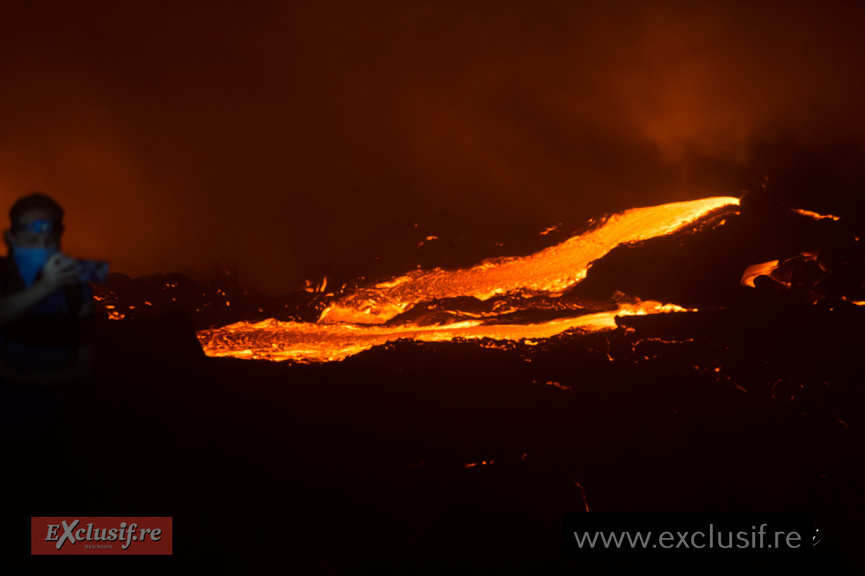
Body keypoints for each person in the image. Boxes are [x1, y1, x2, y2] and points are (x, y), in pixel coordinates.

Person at [0, 193, 98, 432]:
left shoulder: (76, 291)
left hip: (51, 427)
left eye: (50, 232)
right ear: (11, 237)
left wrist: (16, 377)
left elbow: (85, 370)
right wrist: (44, 287)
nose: (42, 242)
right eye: (31, 233)